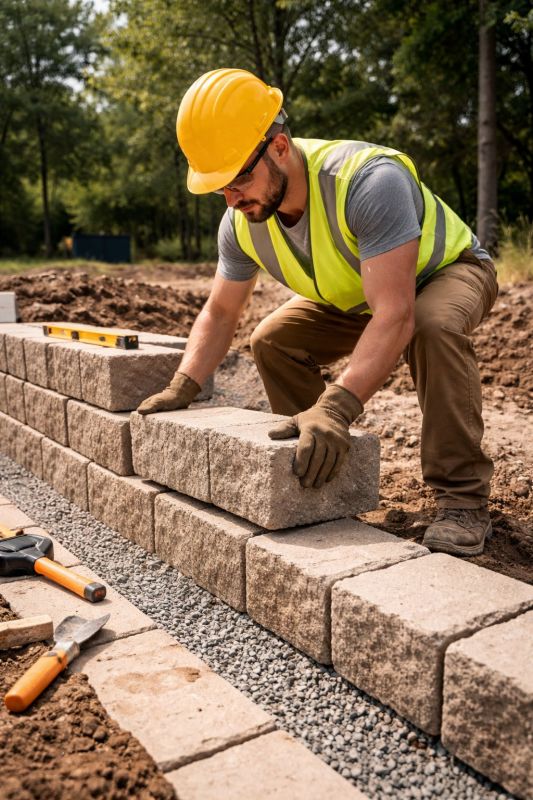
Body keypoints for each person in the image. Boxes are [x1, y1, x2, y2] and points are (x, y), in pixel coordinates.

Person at [137, 68, 498, 557]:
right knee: (272, 340)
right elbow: (221, 312)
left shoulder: (369, 181)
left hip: (443, 272)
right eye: (219, 187)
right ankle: (323, 477)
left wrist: (337, 406)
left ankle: (463, 501)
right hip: (358, 291)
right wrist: (184, 385)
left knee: (432, 327)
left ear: (279, 147)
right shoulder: (240, 221)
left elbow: (396, 314)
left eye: (239, 177)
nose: (231, 198)